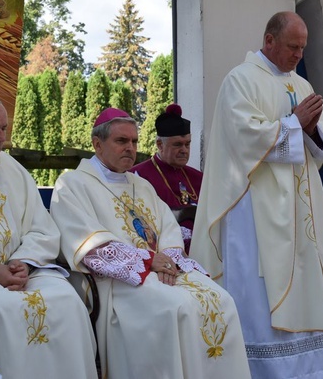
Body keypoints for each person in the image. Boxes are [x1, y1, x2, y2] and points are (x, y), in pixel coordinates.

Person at [49, 107, 250, 379]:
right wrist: (146, 261)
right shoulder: (72, 184)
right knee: (176, 308)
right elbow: (88, 246)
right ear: (97, 144)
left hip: (160, 272)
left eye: (133, 141)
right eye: (122, 141)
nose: (131, 148)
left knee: (221, 299)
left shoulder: (139, 184)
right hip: (115, 282)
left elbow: (168, 227)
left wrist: (167, 261)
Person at [189, 11, 323, 378]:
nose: (298, 55)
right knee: (259, 290)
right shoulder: (240, 80)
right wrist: (294, 124)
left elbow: (320, 143)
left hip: (299, 211)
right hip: (255, 209)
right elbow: (244, 139)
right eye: (292, 46)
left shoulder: (300, 85)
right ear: (269, 40)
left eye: (303, 48)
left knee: (302, 279)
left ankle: (308, 370)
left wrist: (313, 131)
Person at [0, 92, 97, 379]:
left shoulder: (13, 169)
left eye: (4, 129)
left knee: (67, 302)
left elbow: (42, 228)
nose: (1, 138)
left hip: (18, 270)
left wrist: (23, 261)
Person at [131, 103, 202, 251]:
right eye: (177, 145)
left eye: (187, 144)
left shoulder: (198, 177)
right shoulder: (137, 176)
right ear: (160, 144)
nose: (184, 150)